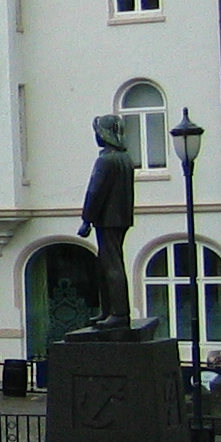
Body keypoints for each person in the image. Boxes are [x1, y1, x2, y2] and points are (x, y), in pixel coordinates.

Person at [77, 113, 135, 329]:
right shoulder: (125, 158)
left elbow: (95, 191)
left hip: (108, 219)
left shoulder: (106, 160)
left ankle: (118, 313)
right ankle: (109, 310)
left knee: (111, 265)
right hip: (120, 217)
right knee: (108, 263)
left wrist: (87, 220)